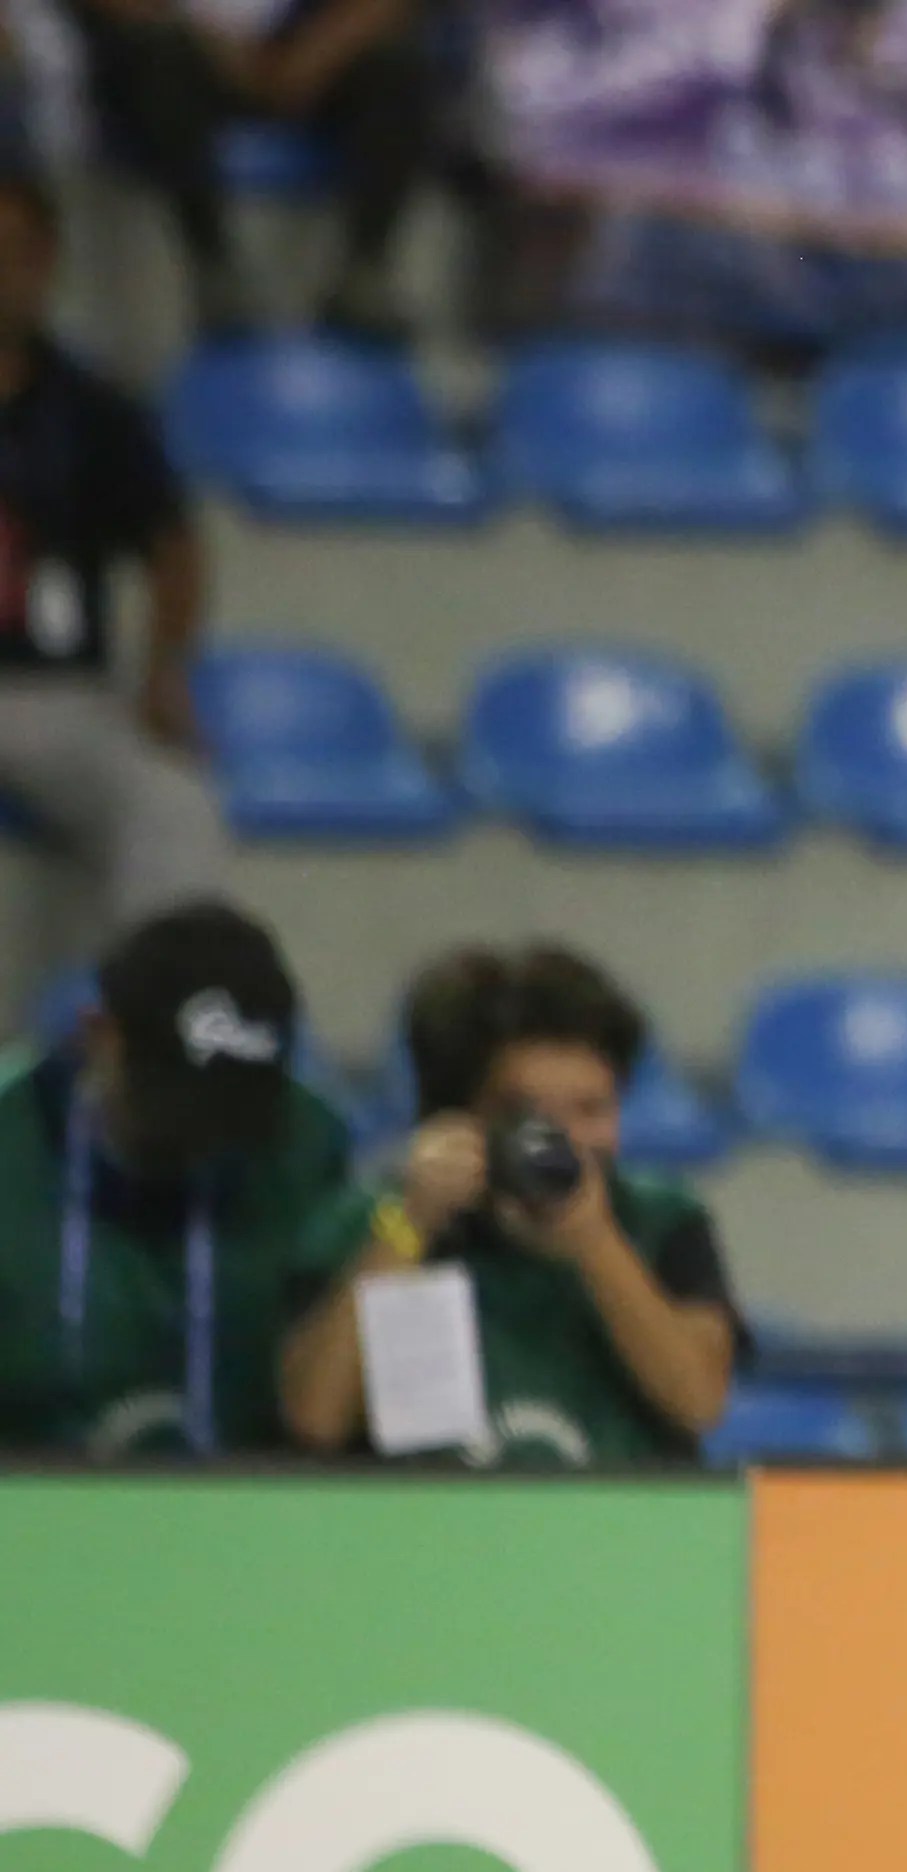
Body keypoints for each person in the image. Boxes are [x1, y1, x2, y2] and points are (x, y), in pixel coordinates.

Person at [280, 945, 741, 1465]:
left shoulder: (664, 1219)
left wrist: (595, 1243)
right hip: (431, 1513)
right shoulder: (373, 1220)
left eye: (591, 1110)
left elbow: (699, 1400)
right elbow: (315, 1418)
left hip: (618, 1512)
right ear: (458, 1117)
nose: (564, 1140)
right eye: (527, 1113)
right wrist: (412, 1224)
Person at [0, 896, 346, 1456]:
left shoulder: (308, 1146)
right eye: (176, 1103)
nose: (205, 1139)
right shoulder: (13, 1145)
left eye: (233, 1110)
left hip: (254, 1498)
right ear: (100, 1037)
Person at [0, 170, 228, 941]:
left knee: (173, 801)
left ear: (48, 262)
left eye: (17, 252)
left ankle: (160, 1001)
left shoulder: (92, 411)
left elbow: (174, 546)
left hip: (54, 690)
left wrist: (164, 670)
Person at [62, 0, 450, 340]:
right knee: (160, 59)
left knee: (398, 68)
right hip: (188, 50)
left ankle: (364, 269)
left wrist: (316, 54)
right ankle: (212, 266)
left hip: (316, 53)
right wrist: (212, 43)